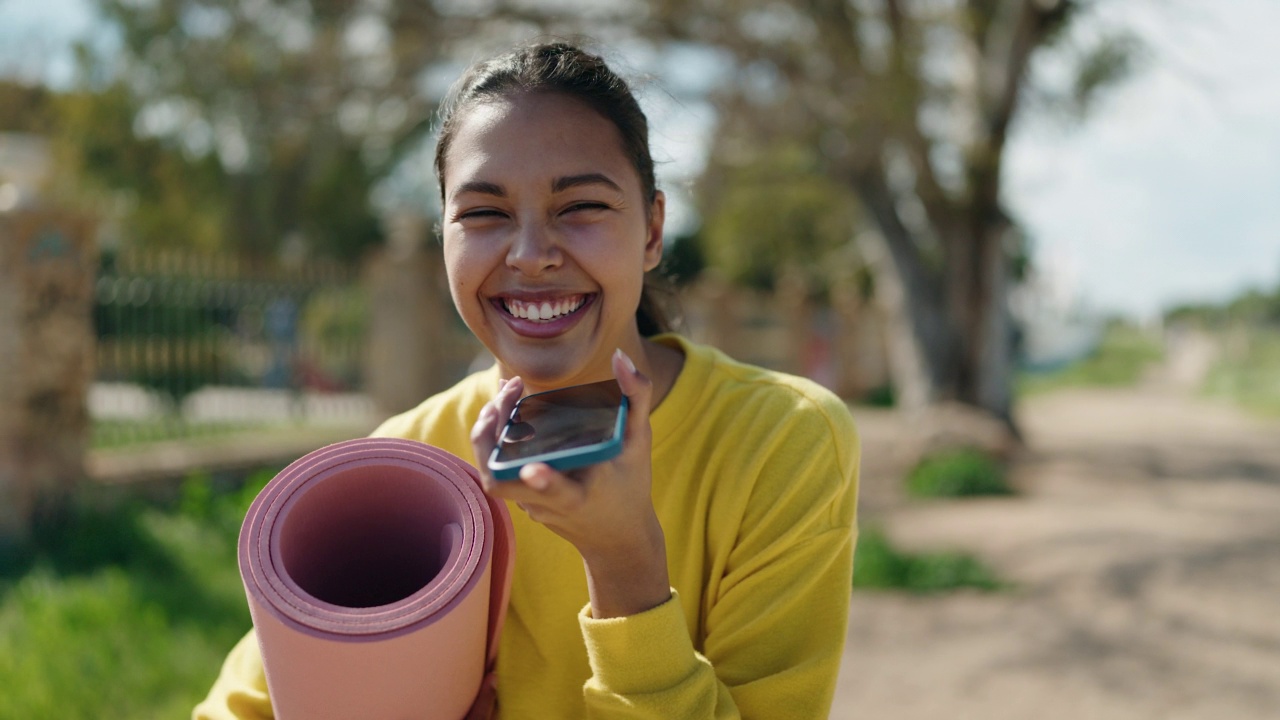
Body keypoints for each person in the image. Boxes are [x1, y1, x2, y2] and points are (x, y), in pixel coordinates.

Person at [195, 41, 859, 720]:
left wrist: (625, 563)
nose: (531, 255)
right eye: (484, 214)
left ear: (654, 229)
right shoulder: (408, 462)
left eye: (581, 207)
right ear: (444, 238)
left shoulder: (781, 441)